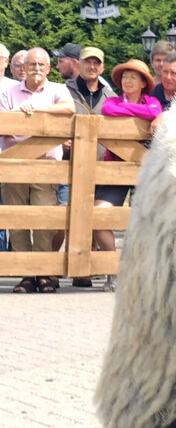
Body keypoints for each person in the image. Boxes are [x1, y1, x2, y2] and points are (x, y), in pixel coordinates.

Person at [0, 47, 76, 293]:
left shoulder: (58, 89)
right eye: (32, 64)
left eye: (41, 65)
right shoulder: (7, 91)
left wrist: (37, 109)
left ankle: (43, 272)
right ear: (23, 68)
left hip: (46, 166)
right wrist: (25, 120)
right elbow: (5, 124)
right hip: (14, 165)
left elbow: (69, 108)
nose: (36, 68)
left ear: (48, 68)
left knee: (45, 219)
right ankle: (26, 274)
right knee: (17, 219)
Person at [97, 59, 163, 292]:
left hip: (144, 170)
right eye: (125, 77)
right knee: (99, 214)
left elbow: (155, 111)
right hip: (115, 168)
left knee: (148, 219)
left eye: (133, 77)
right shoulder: (113, 101)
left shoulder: (153, 102)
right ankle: (112, 270)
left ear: (144, 83)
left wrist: (134, 114)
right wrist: (141, 115)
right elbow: (108, 110)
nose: (128, 81)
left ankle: (142, 275)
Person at [56, 46, 116, 284]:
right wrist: (60, 139)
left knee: (91, 217)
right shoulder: (63, 91)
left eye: (96, 63)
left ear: (102, 68)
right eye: (87, 62)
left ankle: (84, 271)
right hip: (68, 164)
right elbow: (52, 121)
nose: (92, 67)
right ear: (78, 65)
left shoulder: (110, 96)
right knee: (61, 216)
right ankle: (49, 268)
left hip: (99, 164)